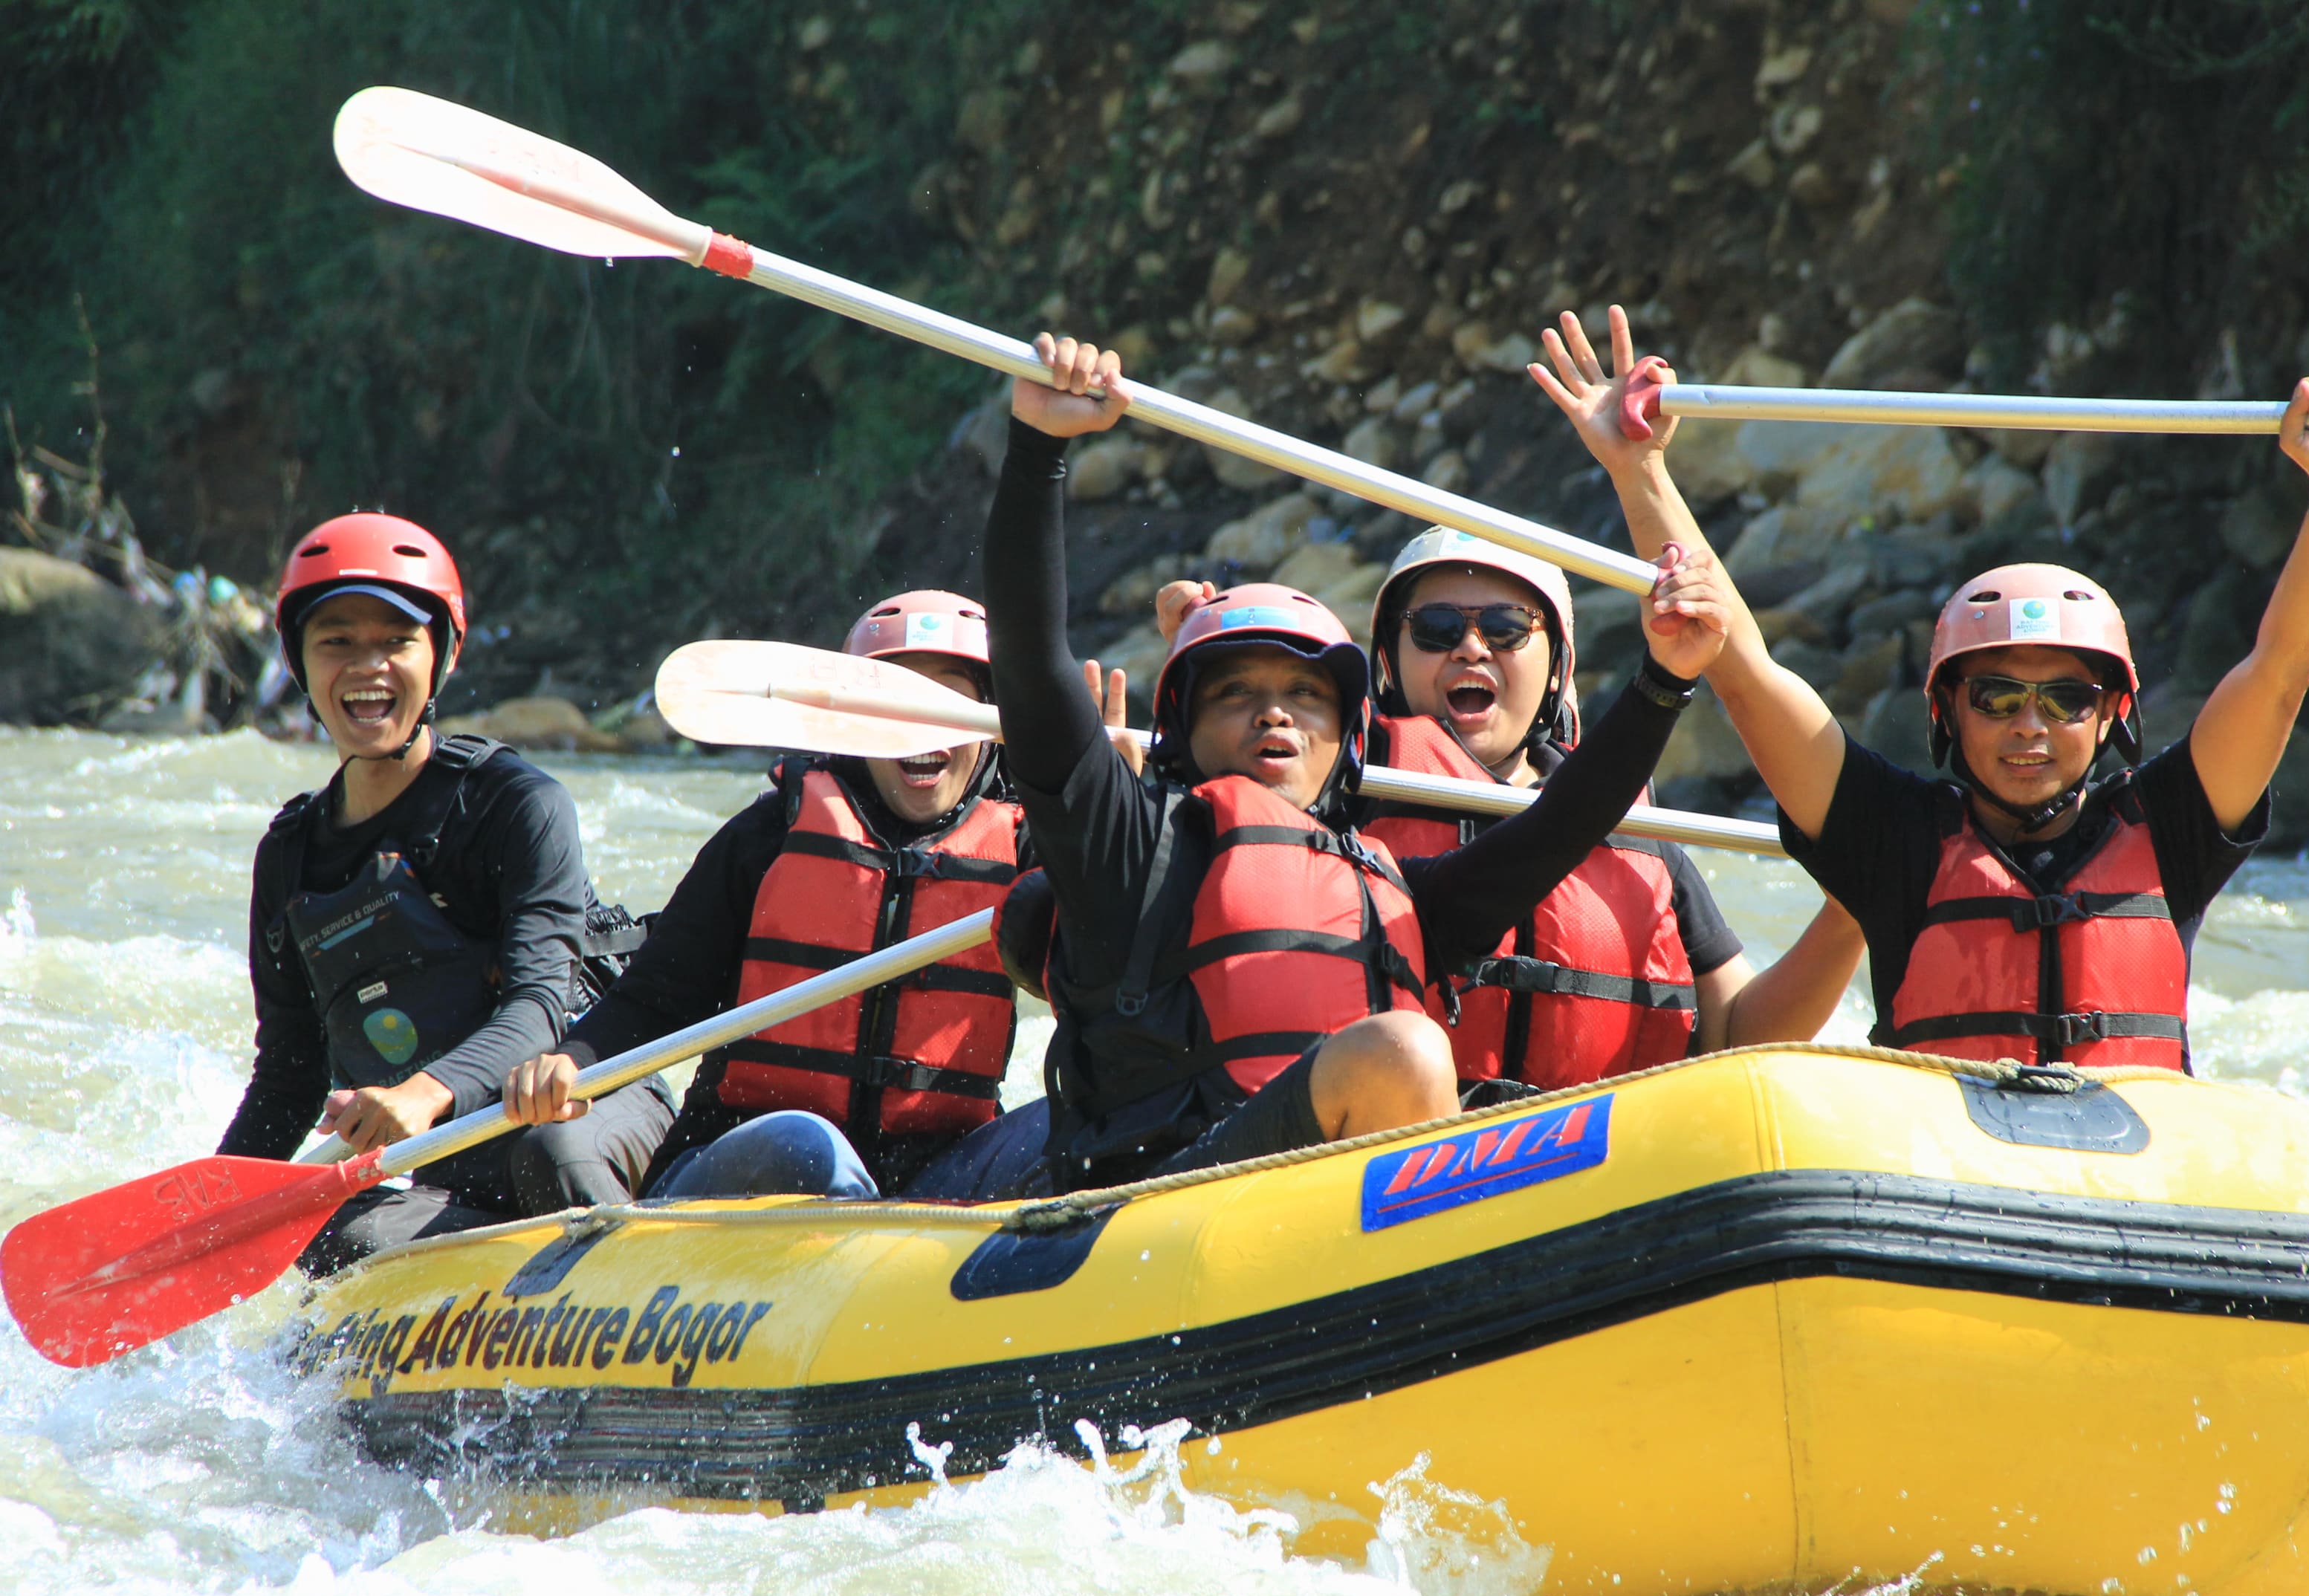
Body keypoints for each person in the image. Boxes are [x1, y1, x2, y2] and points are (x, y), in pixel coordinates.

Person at [946, 333, 1728, 1198]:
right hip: (1159, 1212)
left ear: (1348, 738)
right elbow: (1029, 661)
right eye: (1234, 693)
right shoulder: (1125, 848)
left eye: (1306, 697)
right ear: (1184, 732)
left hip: (1322, 1232)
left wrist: (1665, 680)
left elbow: (1561, 828)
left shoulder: (1398, 890)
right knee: (1404, 1049)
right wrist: (1039, 450)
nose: (1273, 711)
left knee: (1414, 1058)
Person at [1532, 308, 2309, 1068]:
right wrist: (1637, 469)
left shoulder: (2173, 831)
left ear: (2114, 715)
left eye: (2067, 700)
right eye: (1997, 697)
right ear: (1945, 712)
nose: (2030, 727)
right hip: (1950, 1184)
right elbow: (1740, 666)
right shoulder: (1892, 838)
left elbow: (2281, 671)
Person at [1150, 525, 1865, 1099]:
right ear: (1387, 665)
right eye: (1433, 627)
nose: (1470, 646)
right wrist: (1209, 652)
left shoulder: (1642, 838)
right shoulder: (1329, 800)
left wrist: (1847, 918)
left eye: (1507, 626)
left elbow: (1739, 1035)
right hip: (1401, 1156)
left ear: (1557, 666)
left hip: (1609, 1161)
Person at [216, 513, 673, 1270]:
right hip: (449, 1164)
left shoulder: (516, 806)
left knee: (549, 1152)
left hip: (581, 1110)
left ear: (442, 656)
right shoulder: (290, 856)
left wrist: (422, 1095)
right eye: (338, 641)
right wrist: (216, 1207)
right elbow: (289, 1078)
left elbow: (538, 1008)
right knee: (331, 1232)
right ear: (300, 663)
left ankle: (648, 1298)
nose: (368, 667)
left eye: (396, 641)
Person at [500, 591, 1031, 1199]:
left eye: (952, 700)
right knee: (806, 1146)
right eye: (900, 698)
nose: (923, 725)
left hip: (933, 1182)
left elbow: (1112, 972)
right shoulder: (770, 835)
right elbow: (653, 1000)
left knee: (1054, 1132)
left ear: (990, 726)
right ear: (855, 718)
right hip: (755, 1162)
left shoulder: (1031, 851)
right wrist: (572, 1059)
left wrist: (1106, 817)